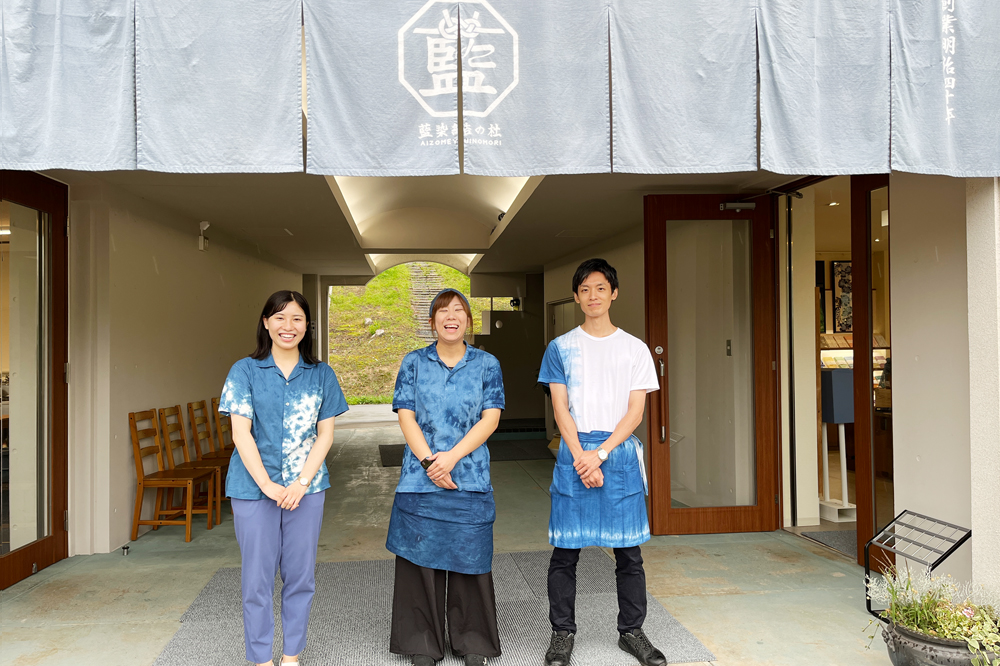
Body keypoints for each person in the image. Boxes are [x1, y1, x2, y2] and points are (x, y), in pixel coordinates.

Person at [538, 259, 667, 666]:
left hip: (617, 451)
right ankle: (562, 634)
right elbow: (561, 408)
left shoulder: (635, 349)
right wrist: (581, 457)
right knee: (565, 551)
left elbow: (635, 413)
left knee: (629, 554)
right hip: (576, 452)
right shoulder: (560, 347)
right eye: (585, 289)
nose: (592, 296)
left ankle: (631, 631)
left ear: (613, 293)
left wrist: (601, 454)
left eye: (600, 288)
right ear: (576, 297)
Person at [219, 290, 348, 666]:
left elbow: (325, 434)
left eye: (296, 319)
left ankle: (291, 656)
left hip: (306, 490)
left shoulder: (321, 374)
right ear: (265, 323)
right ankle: (261, 660)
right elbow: (240, 433)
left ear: (307, 326)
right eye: (279, 317)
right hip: (253, 489)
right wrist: (269, 486)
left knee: (300, 577)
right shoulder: (244, 371)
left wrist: (301, 482)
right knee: (256, 582)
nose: (287, 326)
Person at [386, 288, 505, 666]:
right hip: (420, 478)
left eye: (458, 310)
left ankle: (472, 641)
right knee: (420, 559)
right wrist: (428, 462)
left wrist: (450, 458)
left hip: (469, 476)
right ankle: (422, 642)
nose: (450, 316)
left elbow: (491, 417)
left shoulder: (487, 364)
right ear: (432, 320)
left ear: (469, 320)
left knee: (470, 557)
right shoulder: (413, 362)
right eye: (442, 311)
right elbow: (405, 414)